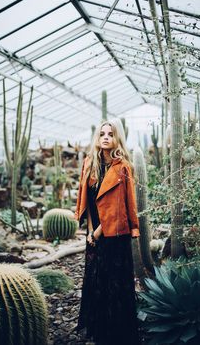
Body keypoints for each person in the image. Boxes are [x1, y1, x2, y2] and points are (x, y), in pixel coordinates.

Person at [75, 119, 140, 345]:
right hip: (94, 234)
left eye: (110, 134)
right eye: (102, 133)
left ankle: (116, 334)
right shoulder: (88, 164)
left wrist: (98, 233)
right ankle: (99, 330)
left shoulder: (122, 167)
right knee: (96, 282)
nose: (105, 137)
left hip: (114, 235)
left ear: (117, 138)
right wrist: (90, 231)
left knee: (114, 285)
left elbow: (120, 206)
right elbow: (88, 200)